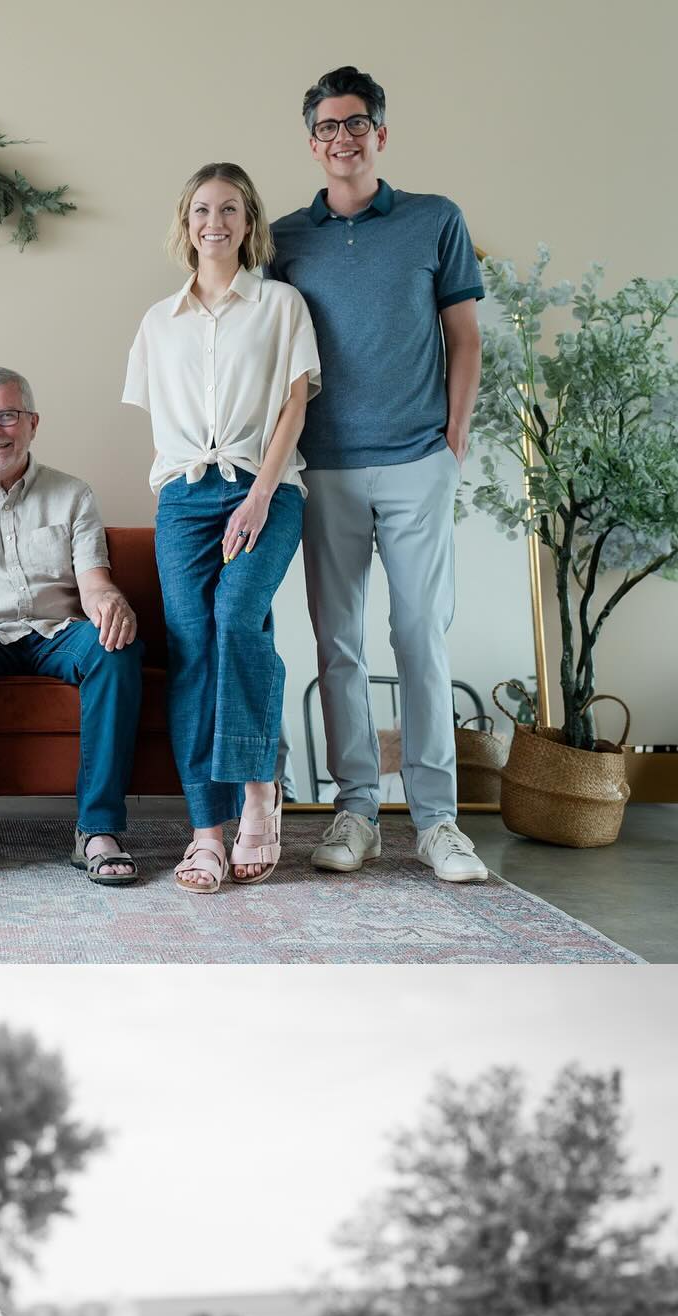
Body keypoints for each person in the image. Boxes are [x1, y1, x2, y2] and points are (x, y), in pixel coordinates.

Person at [270, 65, 489, 883]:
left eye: (356, 123)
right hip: (324, 468)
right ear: (314, 143)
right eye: (327, 127)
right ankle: (355, 811)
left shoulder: (435, 221)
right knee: (337, 643)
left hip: (417, 463)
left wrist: (453, 442)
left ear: (380, 135)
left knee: (420, 639)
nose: (343, 138)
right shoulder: (287, 239)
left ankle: (437, 823)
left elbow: (464, 336)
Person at [124, 164, 319, 893]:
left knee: (238, 617)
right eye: (202, 209)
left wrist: (260, 495)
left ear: (249, 221)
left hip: (263, 488)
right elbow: (165, 425)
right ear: (186, 222)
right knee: (193, 647)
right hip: (184, 501)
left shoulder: (280, 305)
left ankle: (260, 796)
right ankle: (207, 832)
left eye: (230, 209)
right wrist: (190, 482)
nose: (216, 221)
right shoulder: (156, 321)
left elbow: (295, 408)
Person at [0, 367, 144, 886]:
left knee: (116, 645)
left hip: (56, 634)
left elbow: (94, 583)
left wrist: (111, 602)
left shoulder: (73, 495)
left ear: (32, 422)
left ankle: (97, 829)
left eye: (7, 415)